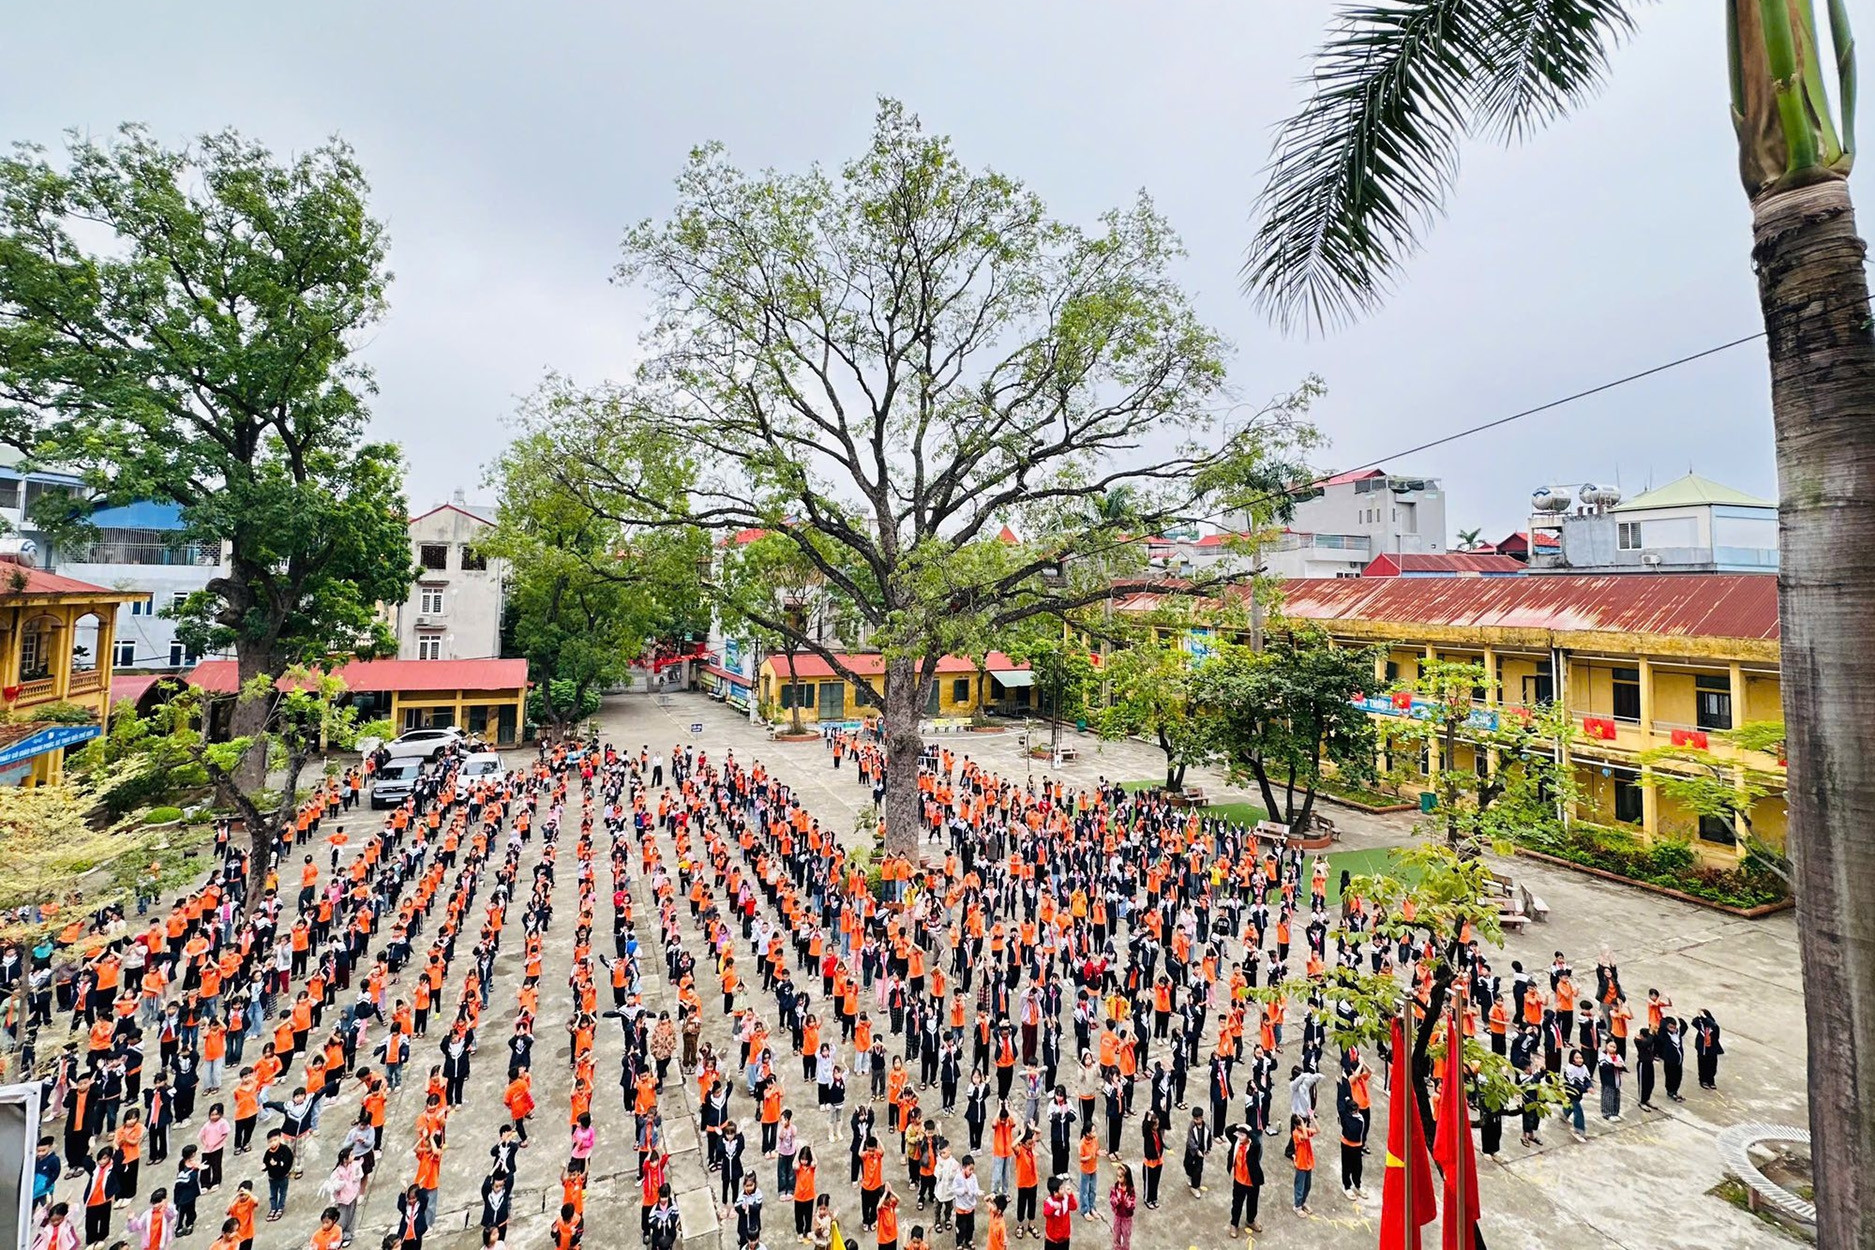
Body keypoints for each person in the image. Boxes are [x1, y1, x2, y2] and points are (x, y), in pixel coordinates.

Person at [1287, 1114, 1316, 1215]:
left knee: (1307, 1185)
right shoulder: (1295, 1133)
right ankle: (1297, 1206)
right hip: (1301, 1163)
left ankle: (1303, 1202)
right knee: (1299, 1186)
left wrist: (1312, 1119)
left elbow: (1318, 1130)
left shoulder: (1304, 1129)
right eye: (1300, 1124)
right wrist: (1303, 1124)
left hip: (1308, 1162)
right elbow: (1304, 1136)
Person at [1040, 1177, 1077, 1250]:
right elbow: (1046, 1213)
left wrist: (1071, 1195)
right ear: (1055, 1192)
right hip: (1052, 1240)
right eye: (1061, 1189)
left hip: (1065, 1238)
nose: (1064, 1190)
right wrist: (1053, 1208)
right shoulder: (1049, 1201)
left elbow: (1074, 1207)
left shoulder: (1066, 1198)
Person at [1182, 1107, 1211, 1197]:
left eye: (1197, 1119)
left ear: (1201, 1118)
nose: (1196, 1120)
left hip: (1201, 1150)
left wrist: (1208, 1149)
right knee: (1187, 1164)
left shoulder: (1206, 1127)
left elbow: (1209, 1139)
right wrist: (1196, 1150)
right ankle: (1190, 1175)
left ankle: (1195, 1187)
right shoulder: (1191, 1126)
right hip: (1191, 1150)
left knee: (1198, 1170)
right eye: (1194, 1119)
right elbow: (1190, 1140)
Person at [1693, 1011, 1724, 1090]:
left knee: (1712, 1066)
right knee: (1702, 1065)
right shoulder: (1701, 1026)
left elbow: (1713, 1025)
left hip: (1712, 1049)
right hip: (1702, 1050)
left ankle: (1711, 1080)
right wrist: (1700, 1016)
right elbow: (1694, 1021)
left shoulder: (1714, 1027)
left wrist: (1705, 1017)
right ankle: (1703, 1080)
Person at [1107, 1165, 1135, 1250]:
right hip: (1117, 1216)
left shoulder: (1130, 1190)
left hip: (1126, 1218)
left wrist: (1127, 1202)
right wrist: (1117, 1199)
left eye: (1120, 1176)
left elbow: (1133, 1205)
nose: (1118, 1179)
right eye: (1117, 1176)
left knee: (1126, 1237)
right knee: (1116, 1235)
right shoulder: (1115, 1188)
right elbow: (1112, 1200)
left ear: (1126, 1178)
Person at [1597, 1041, 1627, 1121]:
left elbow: (1623, 1065)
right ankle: (1607, 1113)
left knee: (1616, 1096)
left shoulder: (1617, 1056)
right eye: (1611, 1046)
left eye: (1614, 1047)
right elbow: (1603, 1066)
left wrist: (1620, 1065)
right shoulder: (1602, 1055)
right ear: (1606, 1046)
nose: (1613, 1048)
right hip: (1607, 1079)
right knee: (1608, 1095)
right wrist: (1613, 1065)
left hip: (1616, 1079)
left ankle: (1615, 1112)